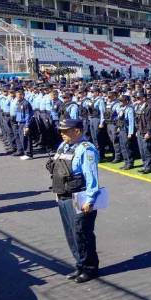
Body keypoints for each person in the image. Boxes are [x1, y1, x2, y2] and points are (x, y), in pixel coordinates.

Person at [47, 119, 102, 283]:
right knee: (71, 233)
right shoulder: (64, 146)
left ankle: (90, 268)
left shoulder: (86, 149)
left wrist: (90, 199)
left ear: (77, 131)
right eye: (61, 131)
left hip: (80, 197)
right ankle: (80, 264)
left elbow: (91, 177)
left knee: (82, 234)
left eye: (66, 131)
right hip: (63, 194)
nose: (62, 134)